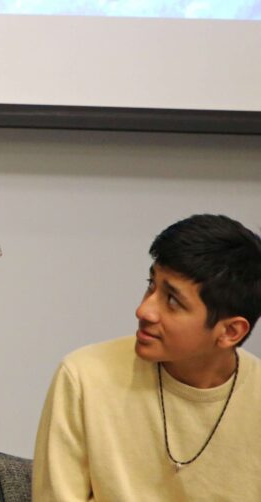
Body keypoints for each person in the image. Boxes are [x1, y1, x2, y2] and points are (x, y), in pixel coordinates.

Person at [32, 213, 261, 501]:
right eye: (151, 285)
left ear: (230, 331)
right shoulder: (84, 377)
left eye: (173, 301)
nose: (144, 310)